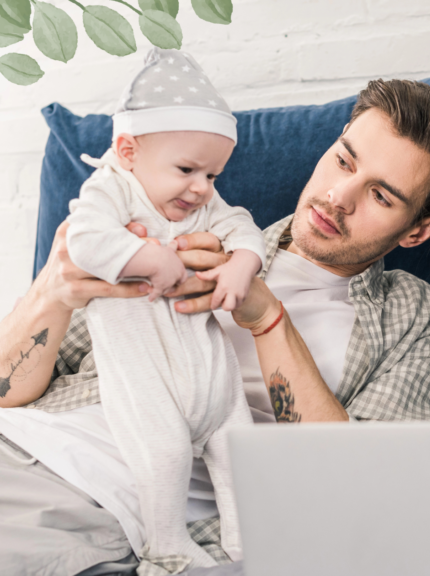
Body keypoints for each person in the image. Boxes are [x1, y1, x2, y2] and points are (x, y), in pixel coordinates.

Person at [0, 78, 430, 576]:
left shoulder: (419, 322)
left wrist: (267, 318)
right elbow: (2, 392)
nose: (337, 195)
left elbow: (362, 492)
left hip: (80, 498)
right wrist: (54, 290)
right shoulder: (179, 217)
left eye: (380, 194)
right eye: (343, 161)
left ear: (418, 231)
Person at [63, 47, 266, 573]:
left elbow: (240, 222)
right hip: (146, 376)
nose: (202, 188)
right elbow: (83, 241)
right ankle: (167, 544)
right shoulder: (113, 191)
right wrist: (145, 256)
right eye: (188, 169)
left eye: (214, 176)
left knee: (239, 450)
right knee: (167, 456)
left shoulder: (202, 203)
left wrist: (244, 262)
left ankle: (247, 539)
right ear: (128, 150)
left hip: (213, 377)